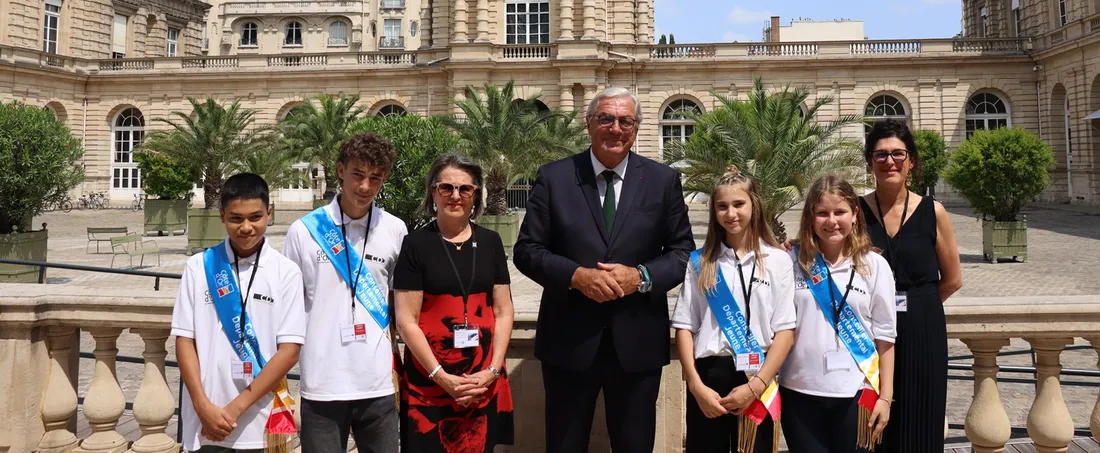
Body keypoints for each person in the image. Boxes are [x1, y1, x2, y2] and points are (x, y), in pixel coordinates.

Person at [513, 86, 696, 453]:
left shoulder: (662, 181)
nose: (615, 128)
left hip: (637, 345)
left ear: (636, 127)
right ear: (589, 123)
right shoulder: (555, 178)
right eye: (606, 119)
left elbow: (681, 253)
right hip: (569, 343)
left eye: (625, 121)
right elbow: (527, 251)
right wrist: (576, 277)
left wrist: (640, 277)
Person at [283, 133, 408, 453]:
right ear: (340, 170)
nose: (365, 186)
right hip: (322, 383)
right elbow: (289, 306)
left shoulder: (395, 229)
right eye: (358, 174)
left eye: (375, 178)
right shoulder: (304, 231)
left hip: (377, 382)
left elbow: (401, 304)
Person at [172, 173, 305, 453]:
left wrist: (235, 409)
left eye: (255, 217)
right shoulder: (199, 268)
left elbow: (290, 350)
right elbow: (185, 340)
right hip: (205, 422)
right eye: (236, 218)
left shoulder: (286, 272)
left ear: (269, 212)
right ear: (222, 216)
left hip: (262, 421)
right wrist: (202, 406)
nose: (246, 227)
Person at [393, 154, 516, 453]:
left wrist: (492, 372)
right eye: (446, 187)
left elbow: (503, 309)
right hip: (430, 383)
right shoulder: (416, 245)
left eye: (465, 189)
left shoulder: (490, 242)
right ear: (433, 192)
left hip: (482, 380)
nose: (455, 196)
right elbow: (406, 320)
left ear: (476, 194)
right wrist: (442, 377)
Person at [671, 167, 795, 453]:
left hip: (756, 377)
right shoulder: (701, 262)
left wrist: (756, 387)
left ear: (754, 204)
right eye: (722, 206)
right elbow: (685, 327)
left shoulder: (778, 261)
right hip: (708, 379)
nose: (731, 213)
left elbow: (785, 331)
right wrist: (695, 386)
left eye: (739, 204)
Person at [859, 119, 962, 453]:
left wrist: (918, 304)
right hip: (869, 331)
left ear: (912, 161)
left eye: (898, 154)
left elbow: (953, 279)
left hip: (922, 328)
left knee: (921, 417)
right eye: (881, 154)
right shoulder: (856, 213)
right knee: (871, 425)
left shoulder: (934, 212)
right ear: (870, 161)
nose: (890, 161)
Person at [779, 175, 896, 453]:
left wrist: (886, 398)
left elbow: (885, 334)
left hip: (857, 393)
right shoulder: (790, 262)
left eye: (840, 212)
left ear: (855, 214)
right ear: (810, 217)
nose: (831, 221)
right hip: (800, 392)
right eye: (822, 213)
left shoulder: (874, 265)